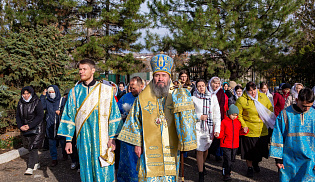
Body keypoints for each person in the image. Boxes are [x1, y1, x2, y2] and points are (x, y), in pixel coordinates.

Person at [117, 54, 197, 181]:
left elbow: (187, 120)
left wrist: (184, 140)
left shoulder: (177, 95)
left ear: (169, 77)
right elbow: (134, 121)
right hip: (148, 148)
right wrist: (137, 143)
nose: (160, 78)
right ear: (153, 77)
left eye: (163, 75)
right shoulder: (142, 98)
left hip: (171, 145)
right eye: (157, 75)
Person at [57, 59, 123, 182]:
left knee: (104, 167)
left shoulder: (106, 90)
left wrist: (112, 138)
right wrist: (68, 141)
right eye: (80, 69)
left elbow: (114, 115)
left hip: (102, 140)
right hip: (83, 139)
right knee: (86, 168)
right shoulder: (74, 92)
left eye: (84, 69)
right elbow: (69, 116)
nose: (81, 72)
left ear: (93, 70)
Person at [270, 88, 315, 181]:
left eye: (309, 106)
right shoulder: (285, 114)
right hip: (289, 159)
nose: (306, 109)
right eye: (303, 105)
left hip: (310, 159)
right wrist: (278, 159)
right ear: (297, 100)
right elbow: (277, 136)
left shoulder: (314, 115)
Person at [235, 81, 274, 177]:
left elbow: (270, 108)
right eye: (250, 91)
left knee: (259, 150)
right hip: (249, 130)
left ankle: (256, 163)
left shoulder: (263, 97)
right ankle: (249, 167)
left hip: (262, 129)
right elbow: (238, 114)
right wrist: (244, 125)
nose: (253, 92)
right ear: (247, 91)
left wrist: (265, 115)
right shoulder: (241, 100)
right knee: (249, 151)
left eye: (254, 90)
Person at [192, 79, 221, 182]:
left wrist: (217, 129)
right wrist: (199, 116)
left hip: (209, 128)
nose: (201, 87)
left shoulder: (212, 97)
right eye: (199, 86)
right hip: (198, 127)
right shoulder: (193, 98)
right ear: (196, 87)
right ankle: (200, 174)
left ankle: (202, 164)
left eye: (203, 85)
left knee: (205, 149)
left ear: (206, 86)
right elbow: (189, 113)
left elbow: (217, 113)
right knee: (199, 149)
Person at [117, 76, 144, 182]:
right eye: (130, 88)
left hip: (141, 134)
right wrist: (122, 113)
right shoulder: (125, 97)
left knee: (138, 162)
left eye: (134, 88)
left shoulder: (146, 98)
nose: (131, 90)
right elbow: (117, 109)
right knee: (125, 161)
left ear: (141, 86)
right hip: (126, 135)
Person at [16, 86, 44, 175]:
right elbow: (18, 116)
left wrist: (30, 125)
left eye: (27, 93)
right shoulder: (20, 103)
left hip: (37, 127)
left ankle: (30, 167)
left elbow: (40, 116)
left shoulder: (37, 102)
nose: (26, 95)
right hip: (25, 128)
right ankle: (36, 162)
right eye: (24, 94)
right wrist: (20, 126)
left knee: (33, 146)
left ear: (31, 93)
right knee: (30, 147)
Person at [217, 104, 248, 181]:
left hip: (235, 144)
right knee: (227, 159)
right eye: (232, 115)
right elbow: (221, 132)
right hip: (226, 144)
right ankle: (226, 173)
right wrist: (218, 135)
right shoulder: (224, 121)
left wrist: (244, 131)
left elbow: (239, 132)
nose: (234, 116)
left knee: (232, 159)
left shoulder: (237, 122)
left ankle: (227, 170)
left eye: (235, 115)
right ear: (229, 114)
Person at [40, 85, 67, 167]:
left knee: (63, 142)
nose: (51, 94)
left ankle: (64, 154)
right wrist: (43, 95)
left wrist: (61, 111)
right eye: (50, 92)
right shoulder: (47, 101)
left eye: (53, 92)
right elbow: (42, 106)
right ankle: (54, 159)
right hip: (50, 124)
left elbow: (67, 110)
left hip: (60, 124)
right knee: (52, 142)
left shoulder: (62, 100)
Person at [207, 77, 228, 161]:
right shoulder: (207, 91)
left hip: (218, 115)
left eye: (218, 84)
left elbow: (222, 104)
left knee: (217, 135)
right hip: (207, 116)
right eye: (214, 83)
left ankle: (217, 154)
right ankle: (207, 152)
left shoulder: (220, 92)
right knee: (207, 135)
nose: (216, 85)